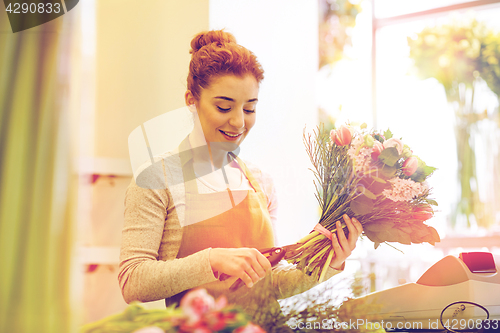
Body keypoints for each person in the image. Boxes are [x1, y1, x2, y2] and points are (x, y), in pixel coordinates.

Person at [118, 29, 363, 323]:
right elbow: (132, 280)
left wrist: (330, 263)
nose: (238, 122)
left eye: (249, 109)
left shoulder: (259, 182)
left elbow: (268, 282)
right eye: (224, 107)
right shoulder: (157, 179)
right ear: (191, 100)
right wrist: (211, 261)